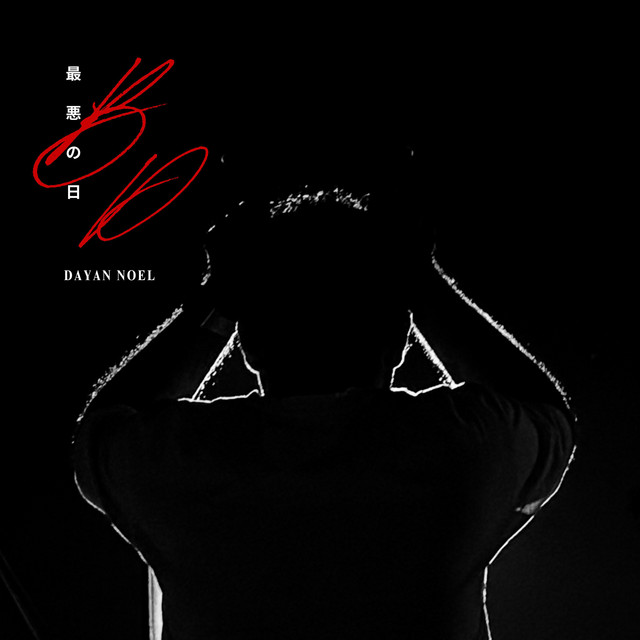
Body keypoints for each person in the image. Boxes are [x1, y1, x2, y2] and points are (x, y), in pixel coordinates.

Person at [73, 188, 576, 639]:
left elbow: (100, 430)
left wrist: (218, 296)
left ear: (249, 344)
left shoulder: (186, 458)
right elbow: (547, 414)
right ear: (400, 338)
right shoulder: (459, 442)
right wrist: (423, 282)